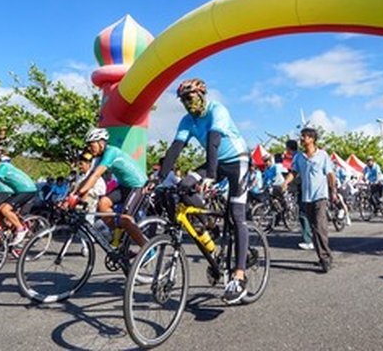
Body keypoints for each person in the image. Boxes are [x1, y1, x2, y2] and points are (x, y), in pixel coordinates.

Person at [159, 78, 250, 304]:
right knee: (182, 186)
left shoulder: (217, 110)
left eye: (190, 98)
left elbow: (213, 141)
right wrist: (158, 178)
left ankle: (239, 276)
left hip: (237, 160)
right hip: (215, 162)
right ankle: (208, 225)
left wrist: (210, 175)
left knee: (237, 215)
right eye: (183, 100)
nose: (187, 103)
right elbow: (175, 149)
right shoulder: (187, 120)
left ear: (201, 95)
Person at [71, 127, 148, 249]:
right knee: (103, 204)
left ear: (101, 143)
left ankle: (147, 248)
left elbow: (96, 176)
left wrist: (78, 194)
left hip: (138, 186)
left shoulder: (111, 152)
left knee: (125, 220)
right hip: (124, 186)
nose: (89, 148)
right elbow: (89, 177)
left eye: (91, 144)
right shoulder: (98, 158)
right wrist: (73, 194)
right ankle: (118, 238)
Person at [283, 127, 337, 272]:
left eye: (304, 136)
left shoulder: (322, 155)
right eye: (301, 136)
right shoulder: (299, 157)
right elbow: (294, 172)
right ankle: (322, 256)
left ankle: (325, 258)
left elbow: (330, 174)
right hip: (307, 197)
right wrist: (285, 182)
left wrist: (333, 191)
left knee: (320, 227)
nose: (301, 139)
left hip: (320, 196)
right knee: (314, 228)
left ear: (312, 139)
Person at [0, 145, 38, 246]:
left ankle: (21, 229)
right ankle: (2, 234)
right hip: (18, 191)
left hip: (28, 189)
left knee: (5, 210)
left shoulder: (3, 167)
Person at [286, 139, 314, 251]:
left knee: (303, 213)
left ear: (288, 148)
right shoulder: (301, 155)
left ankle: (308, 240)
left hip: (302, 187)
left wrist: (286, 183)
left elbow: (295, 173)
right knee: (309, 213)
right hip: (308, 187)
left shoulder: (297, 157)